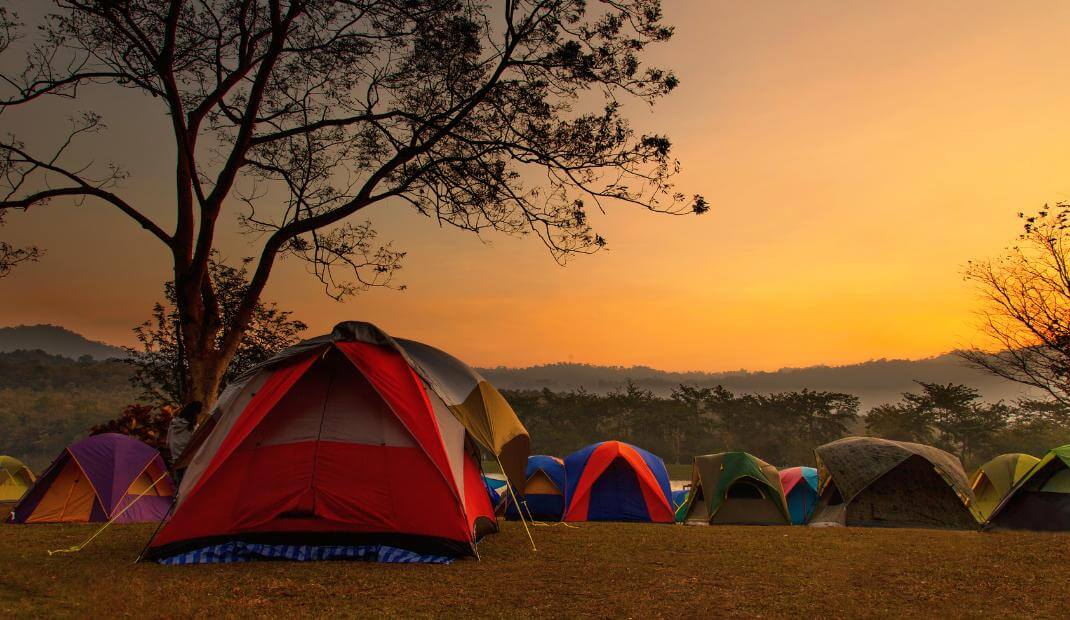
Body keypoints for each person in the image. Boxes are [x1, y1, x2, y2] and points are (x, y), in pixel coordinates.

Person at [166, 401, 201, 483]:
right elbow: (197, 442)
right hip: (188, 459)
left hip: (176, 457)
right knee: (189, 483)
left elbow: (167, 442)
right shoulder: (193, 425)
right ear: (195, 413)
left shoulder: (173, 422)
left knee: (180, 482)